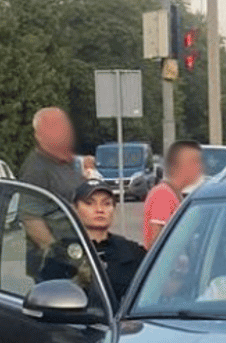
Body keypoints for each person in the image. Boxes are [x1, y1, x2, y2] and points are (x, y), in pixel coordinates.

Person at [18, 107, 85, 276]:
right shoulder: (36, 169)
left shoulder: (65, 163)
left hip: (76, 253)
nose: (60, 132)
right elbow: (31, 219)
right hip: (54, 266)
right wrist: (60, 256)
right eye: (52, 128)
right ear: (38, 136)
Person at [73, 181, 146, 302]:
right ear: (75, 208)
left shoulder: (132, 252)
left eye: (106, 203)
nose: (99, 209)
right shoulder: (62, 252)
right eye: (89, 203)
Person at [144, 140, 203, 249]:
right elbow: (157, 242)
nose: (199, 168)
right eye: (194, 162)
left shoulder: (176, 194)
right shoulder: (162, 195)